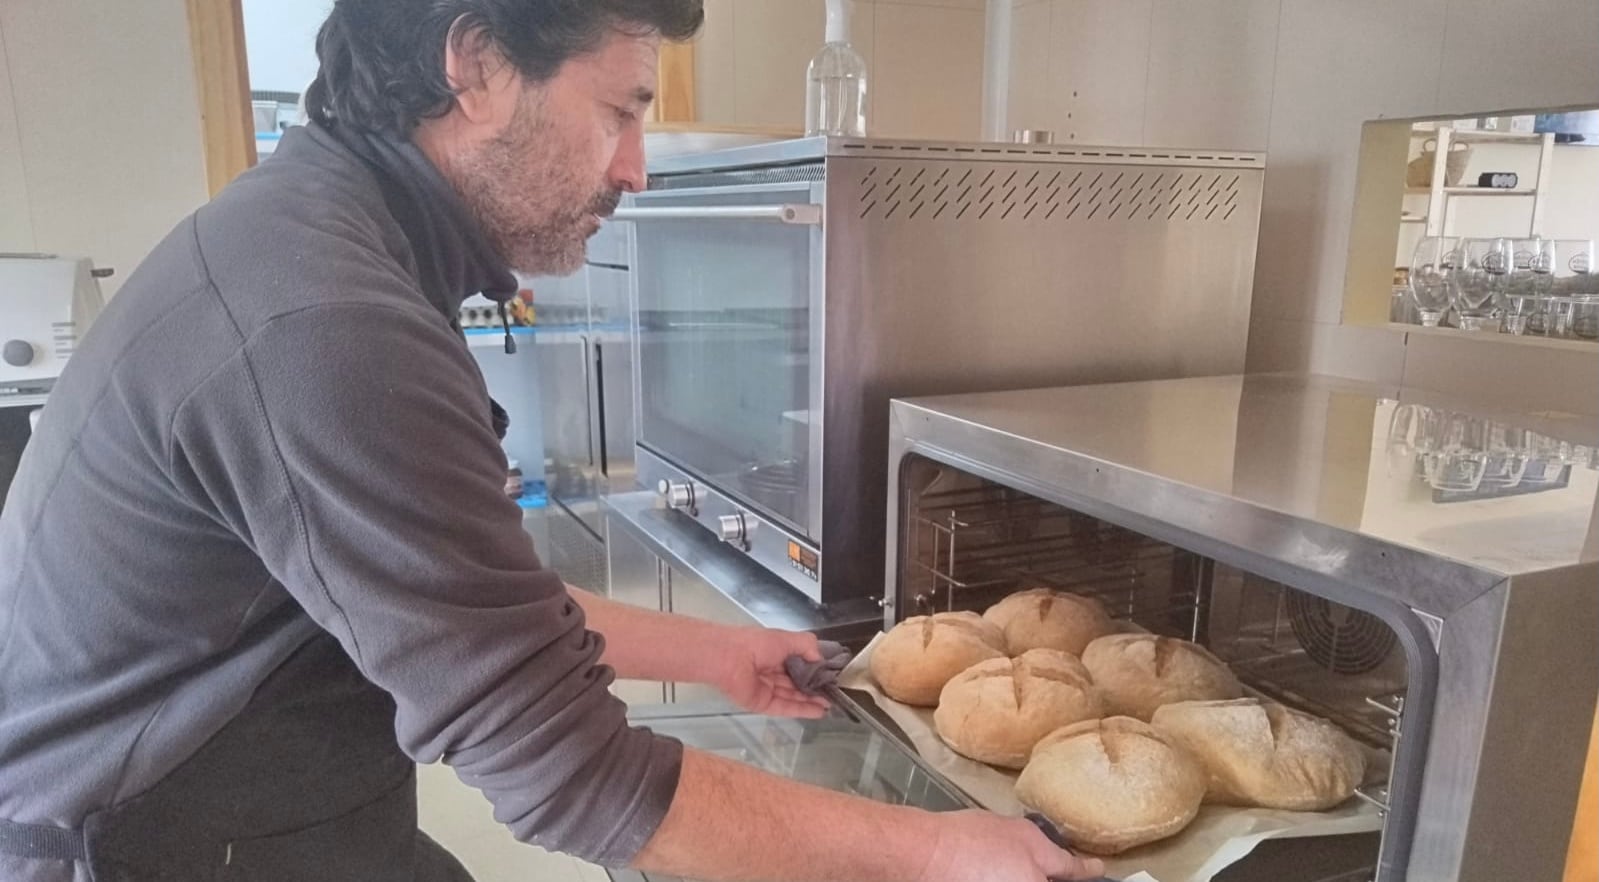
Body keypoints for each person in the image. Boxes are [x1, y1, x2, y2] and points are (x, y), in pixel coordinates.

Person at [0, 2, 1105, 881]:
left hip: (255, 797)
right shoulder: (326, 325)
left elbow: (456, 609)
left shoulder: (325, 237)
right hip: (146, 841)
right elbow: (578, 784)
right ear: (474, 66)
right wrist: (942, 854)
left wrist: (709, 653)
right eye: (620, 110)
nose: (635, 167)